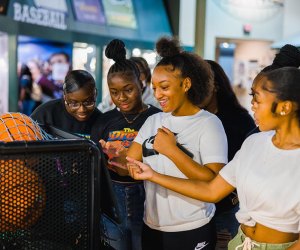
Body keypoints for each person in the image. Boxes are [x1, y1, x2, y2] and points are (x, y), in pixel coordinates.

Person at [128, 66, 300, 250]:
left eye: (257, 99)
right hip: (241, 243)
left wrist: (171, 152)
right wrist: (152, 175)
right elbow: (212, 191)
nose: (252, 106)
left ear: (284, 107)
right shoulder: (254, 143)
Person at [101, 37, 228, 250]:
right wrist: (115, 156)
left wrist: (172, 151)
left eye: (165, 87)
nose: (157, 95)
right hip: (152, 227)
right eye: (154, 87)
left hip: (192, 228)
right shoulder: (154, 120)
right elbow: (131, 165)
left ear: (186, 84)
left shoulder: (208, 123)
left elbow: (213, 181)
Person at [90, 39, 160, 250]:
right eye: (114, 92)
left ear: (141, 83)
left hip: (149, 195)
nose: (121, 98)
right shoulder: (104, 120)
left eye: (128, 89)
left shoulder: (157, 118)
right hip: (113, 197)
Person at [202, 60, 256, 248]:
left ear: (214, 85)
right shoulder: (190, 119)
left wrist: (236, 194)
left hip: (226, 207)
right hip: (195, 207)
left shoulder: (240, 120)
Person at [31, 69, 102, 139]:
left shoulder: (101, 121)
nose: (82, 110)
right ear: (65, 96)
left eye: (88, 103)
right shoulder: (45, 114)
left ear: (95, 95)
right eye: (74, 104)